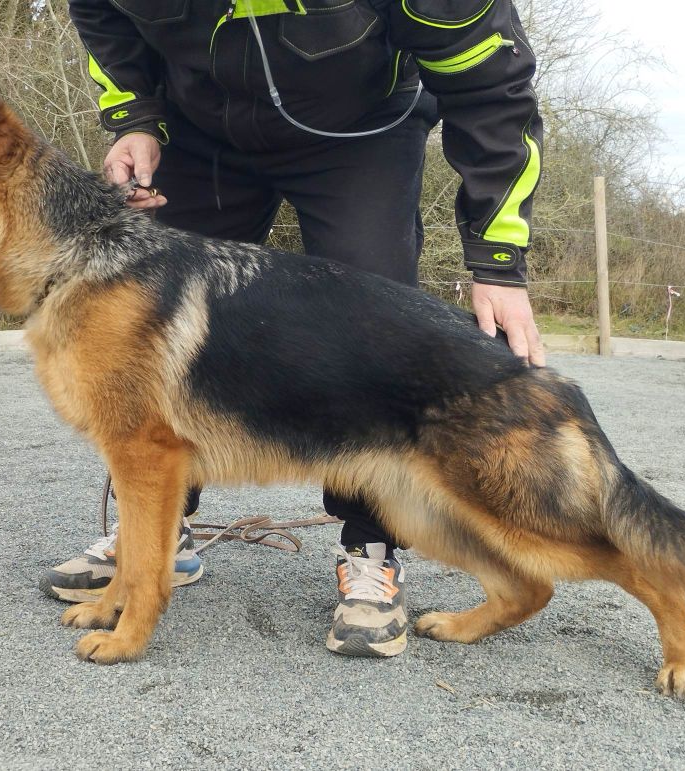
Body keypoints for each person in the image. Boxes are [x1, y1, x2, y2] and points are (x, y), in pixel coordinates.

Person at [40, 0, 545, 658]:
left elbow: (490, 79)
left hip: (360, 133)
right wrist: (134, 115)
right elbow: (101, 16)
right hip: (200, 129)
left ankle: (371, 547)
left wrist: (498, 258)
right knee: (151, 331)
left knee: (373, 337)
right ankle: (157, 539)